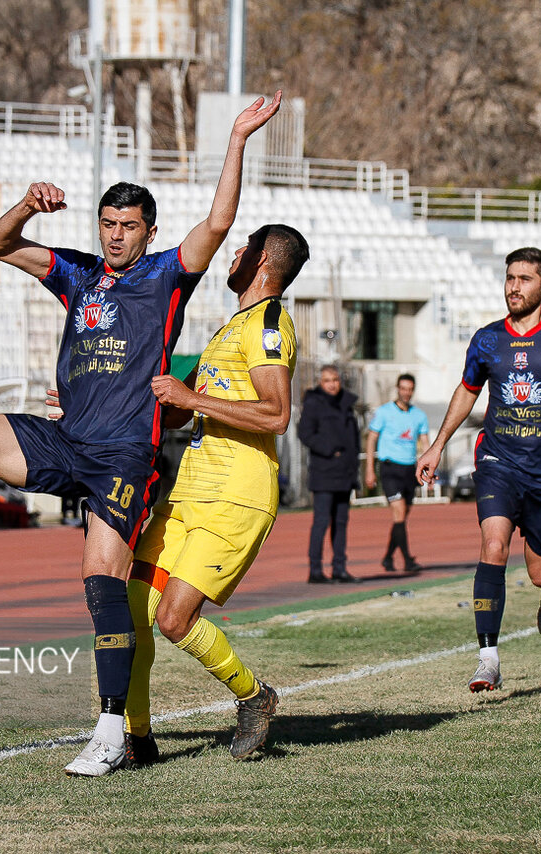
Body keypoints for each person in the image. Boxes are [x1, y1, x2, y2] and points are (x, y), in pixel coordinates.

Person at [0, 91, 283, 778]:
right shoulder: (78, 274)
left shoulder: (166, 277)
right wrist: (26, 205)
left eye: (128, 225)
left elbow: (220, 219)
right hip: (67, 439)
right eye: (108, 224)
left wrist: (238, 137)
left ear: (150, 233)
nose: (116, 236)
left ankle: (110, 731)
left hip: (125, 456)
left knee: (101, 579)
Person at [123, 223, 308, 767]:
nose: (232, 255)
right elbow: (185, 408)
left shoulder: (271, 323)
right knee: (132, 607)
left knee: (174, 620)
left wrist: (187, 395)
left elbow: (276, 414)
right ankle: (137, 739)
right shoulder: (235, 325)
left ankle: (254, 696)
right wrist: (94, 405)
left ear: (262, 262)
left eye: (242, 248)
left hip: (236, 495)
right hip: (189, 494)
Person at [416, 247, 541, 693]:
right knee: (493, 544)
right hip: (498, 461)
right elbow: (467, 392)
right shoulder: (487, 339)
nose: (513, 286)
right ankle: (488, 659)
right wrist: (437, 445)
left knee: (540, 570)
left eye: (524, 279)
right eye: (510, 277)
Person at [298, 364, 361, 583]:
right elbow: (305, 433)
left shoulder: (346, 403)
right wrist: (330, 449)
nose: (332, 384)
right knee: (321, 522)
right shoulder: (313, 403)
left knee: (341, 522)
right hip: (324, 473)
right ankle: (315, 570)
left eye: (335, 379)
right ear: (320, 383)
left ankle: (339, 568)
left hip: (345, 473)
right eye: (327, 380)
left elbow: (353, 437)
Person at [364, 374, 429, 573]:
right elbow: (371, 439)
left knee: (401, 518)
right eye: (403, 388)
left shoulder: (419, 416)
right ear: (397, 389)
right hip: (390, 468)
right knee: (399, 512)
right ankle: (408, 560)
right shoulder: (384, 412)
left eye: (410, 389)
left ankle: (388, 558)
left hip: (409, 469)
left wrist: (429, 468)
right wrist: (369, 469)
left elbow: (425, 442)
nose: (406, 393)